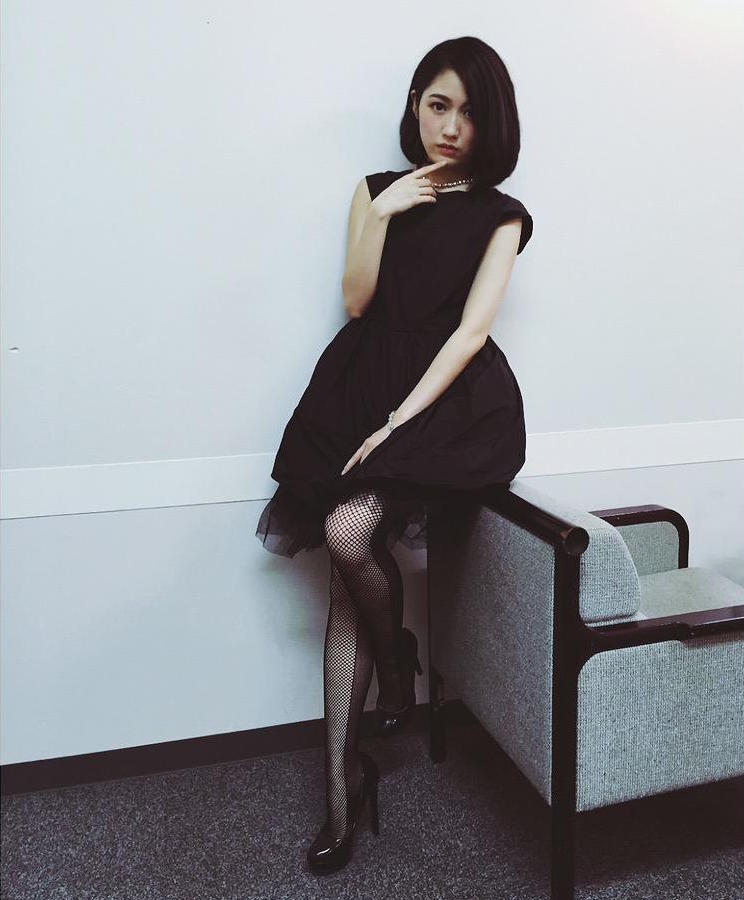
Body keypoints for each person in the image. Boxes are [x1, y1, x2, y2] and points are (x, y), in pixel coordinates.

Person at [255, 35, 533, 874]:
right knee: (347, 565)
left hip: (445, 400)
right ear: (414, 107)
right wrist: (381, 213)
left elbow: (470, 333)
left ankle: (396, 660)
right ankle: (345, 793)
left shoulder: (502, 214)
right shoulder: (375, 190)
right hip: (358, 379)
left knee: (348, 534)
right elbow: (356, 300)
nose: (450, 127)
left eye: (468, 112)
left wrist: (397, 425)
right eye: (436, 105)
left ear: (491, 123)